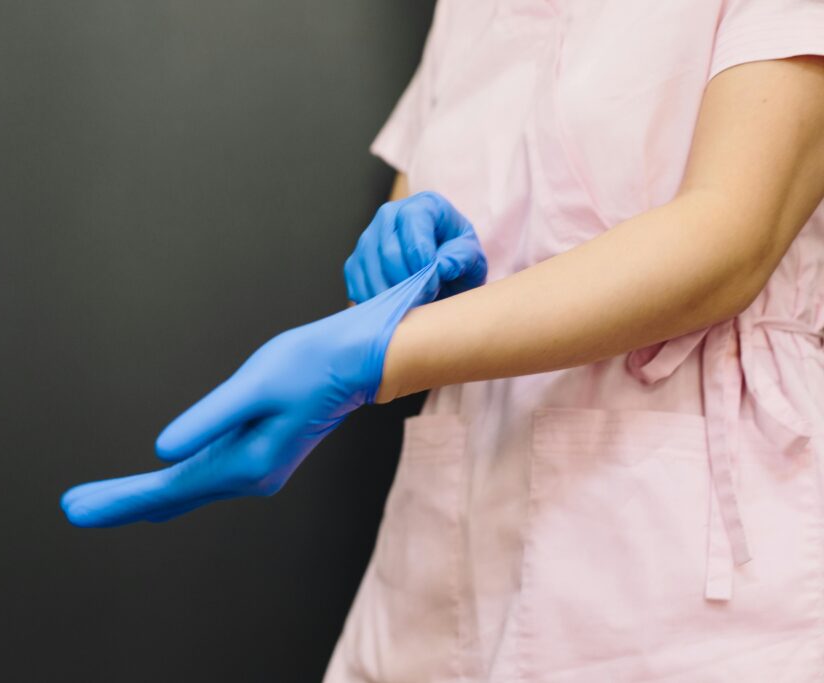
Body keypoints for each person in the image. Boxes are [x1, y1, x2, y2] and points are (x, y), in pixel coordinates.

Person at [62, 1, 824, 679]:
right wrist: (411, 264)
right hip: (444, 568)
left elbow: (729, 237)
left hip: (695, 577)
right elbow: (423, 196)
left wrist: (380, 357)